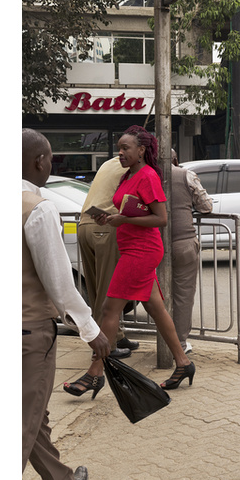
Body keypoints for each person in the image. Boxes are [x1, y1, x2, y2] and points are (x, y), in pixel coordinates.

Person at [22, 129, 111, 480]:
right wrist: (92, 332)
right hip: (26, 331)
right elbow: (59, 283)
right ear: (39, 161)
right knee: (18, 424)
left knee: (30, 412)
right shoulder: (36, 210)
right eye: (50, 159)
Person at [64, 125, 195, 396]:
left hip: (142, 251)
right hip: (131, 248)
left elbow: (161, 219)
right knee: (157, 310)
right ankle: (183, 363)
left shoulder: (147, 176)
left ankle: (95, 372)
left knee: (109, 311)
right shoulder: (127, 176)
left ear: (141, 151)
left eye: (125, 148)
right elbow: (129, 212)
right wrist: (111, 219)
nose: (120, 153)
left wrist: (124, 219)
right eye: (119, 148)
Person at [76, 156, 139, 357]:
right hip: (104, 225)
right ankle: (107, 346)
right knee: (108, 290)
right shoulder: (134, 165)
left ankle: (116, 336)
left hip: (85, 225)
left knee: (95, 288)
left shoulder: (109, 163)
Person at [169, 149, 214, 352]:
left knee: (158, 295)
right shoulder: (185, 174)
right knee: (183, 295)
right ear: (176, 160)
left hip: (154, 244)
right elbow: (206, 207)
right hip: (183, 242)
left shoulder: (146, 174)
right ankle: (179, 343)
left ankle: (164, 340)